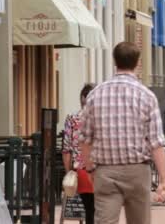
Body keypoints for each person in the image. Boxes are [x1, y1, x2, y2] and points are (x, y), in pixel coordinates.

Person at [80, 42, 165, 224]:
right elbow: (156, 143)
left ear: (115, 61)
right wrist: (164, 180)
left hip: (105, 171)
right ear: (138, 63)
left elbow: (85, 139)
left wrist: (89, 168)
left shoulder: (95, 95)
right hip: (137, 170)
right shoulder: (146, 96)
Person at [62, 83, 96, 224]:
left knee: (89, 209)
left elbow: (66, 149)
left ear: (81, 99)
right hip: (102, 170)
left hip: (81, 171)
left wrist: (68, 171)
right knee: (101, 210)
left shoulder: (72, 119)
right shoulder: (101, 119)